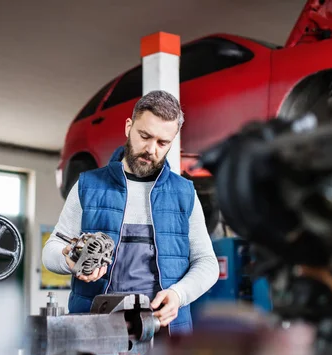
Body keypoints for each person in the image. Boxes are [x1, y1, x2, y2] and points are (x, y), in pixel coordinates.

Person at [42, 90, 219, 335]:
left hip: (165, 332)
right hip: (95, 330)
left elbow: (207, 262)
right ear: (129, 127)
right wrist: (70, 260)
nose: (151, 149)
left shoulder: (184, 193)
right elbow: (50, 251)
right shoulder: (88, 186)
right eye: (144, 136)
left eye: (162, 143)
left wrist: (179, 295)